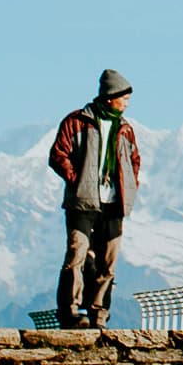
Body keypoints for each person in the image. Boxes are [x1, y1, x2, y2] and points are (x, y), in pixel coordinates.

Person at [48, 69, 141, 329]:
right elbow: (58, 154)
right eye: (124, 98)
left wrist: (130, 185)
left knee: (107, 262)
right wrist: (76, 179)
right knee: (76, 255)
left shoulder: (125, 129)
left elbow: (134, 160)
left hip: (114, 204)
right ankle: (69, 311)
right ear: (110, 97)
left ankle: (99, 314)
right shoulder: (77, 122)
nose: (127, 104)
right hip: (82, 202)